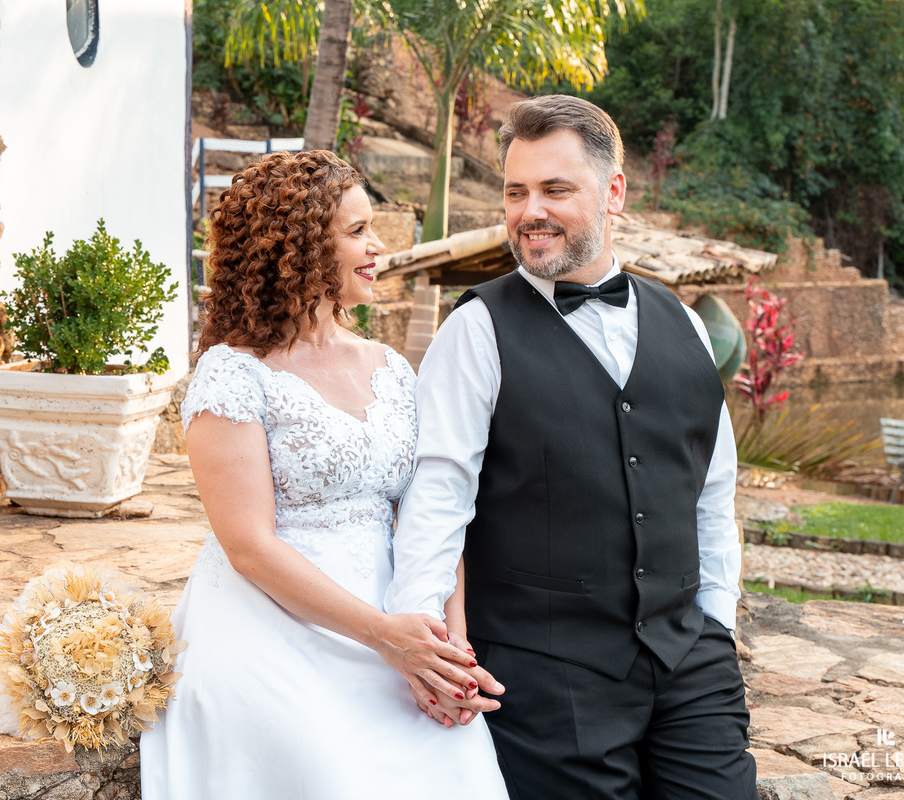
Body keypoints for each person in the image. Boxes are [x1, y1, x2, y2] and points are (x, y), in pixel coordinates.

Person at [386, 95, 758, 799]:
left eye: (556, 189)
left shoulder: (683, 321)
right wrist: (422, 635)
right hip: (544, 673)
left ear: (614, 192)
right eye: (516, 191)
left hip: (691, 662)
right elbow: (436, 493)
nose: (532, 211)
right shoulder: (477, 329)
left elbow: (710, 491)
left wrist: (718, 624)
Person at [139, 150, 509, 800]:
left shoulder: (391, 365)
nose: (379, 247)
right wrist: (384, 638)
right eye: (358, 230)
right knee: (326, 765)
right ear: (299, 246)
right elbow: (249, 546)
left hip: (399, 611)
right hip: (272, 619)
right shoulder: (232, 372)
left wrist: (451, 647)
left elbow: (430, 511)